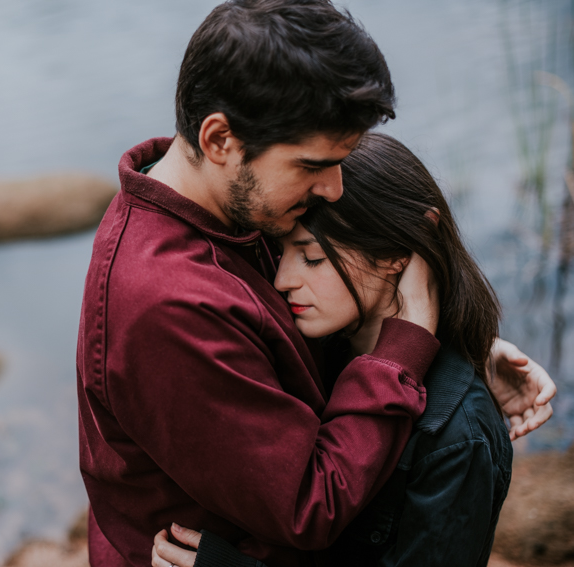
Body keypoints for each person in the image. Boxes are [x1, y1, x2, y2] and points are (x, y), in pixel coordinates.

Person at [76, 2, 554, 566]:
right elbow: (310, 506)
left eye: (341, 161)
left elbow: (304, 321)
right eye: (312, 165)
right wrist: (406, 346)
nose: (332, 189)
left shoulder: (228, 205)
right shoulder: (169, 301)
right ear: (220, 140)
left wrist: (457, 351)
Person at [151, 133, 516, 567]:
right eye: (280, 250)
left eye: (312, 258)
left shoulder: (458, 439)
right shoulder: (312, 349)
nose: (282, 279)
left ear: (399, 252)